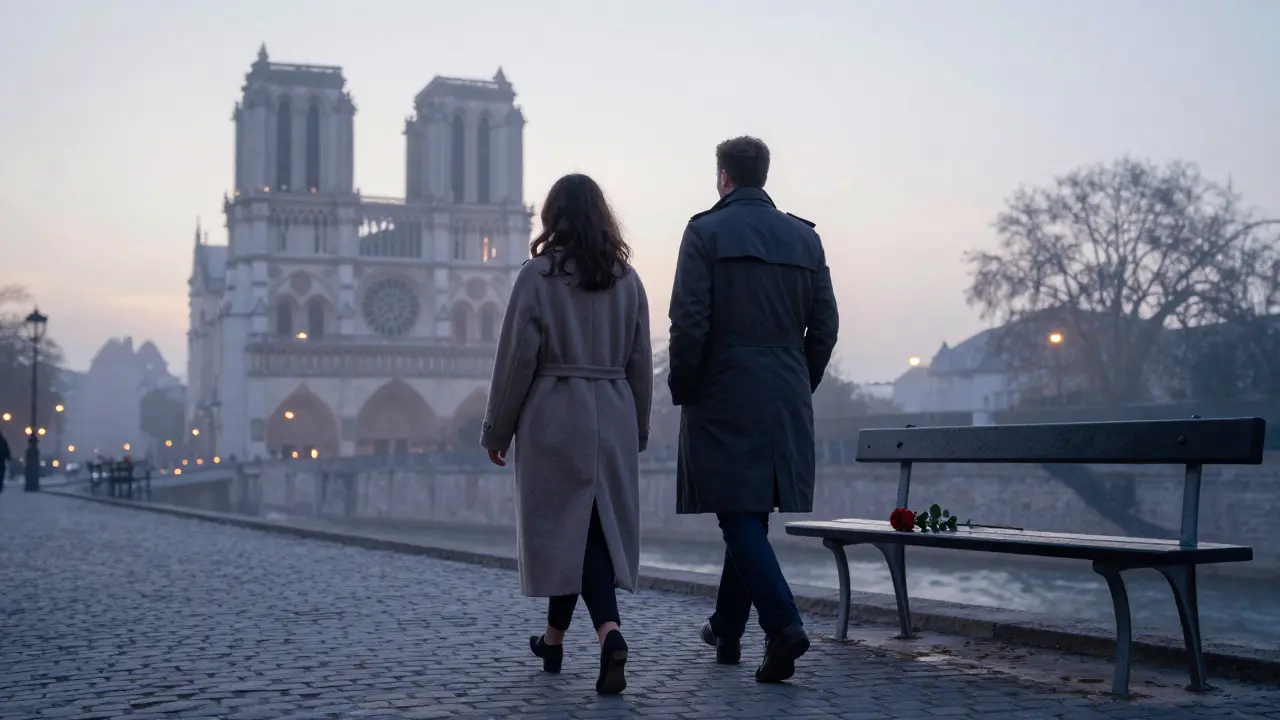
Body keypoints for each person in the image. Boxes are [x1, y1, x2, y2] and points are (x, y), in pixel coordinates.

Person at [668, 136, 839, 683]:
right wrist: (798, 378)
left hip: (723, 388)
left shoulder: (704, 232)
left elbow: (689, 323)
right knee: (750, 513)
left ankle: (783, 625)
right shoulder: (804, 238)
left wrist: (685, 388)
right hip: (785, 388)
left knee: (735, 513)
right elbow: (827, 325)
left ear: (723, 176)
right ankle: (727, 629)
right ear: (763, 175)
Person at [480, 173, 653, 695]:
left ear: (553, 217)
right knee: (585, 529)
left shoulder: (537, 276)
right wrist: (638, 426)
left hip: (556, 413)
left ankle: (609, 633)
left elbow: (516, 361)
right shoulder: (629, 279)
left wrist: (498, 427)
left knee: (570, 529)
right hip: (614, 410)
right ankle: (553, 640)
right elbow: (641, 362)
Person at [0, 428, 10, 492]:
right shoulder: (3, 441)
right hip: (1, 462)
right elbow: (7, 450)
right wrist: (8, 457)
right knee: (1, 475)